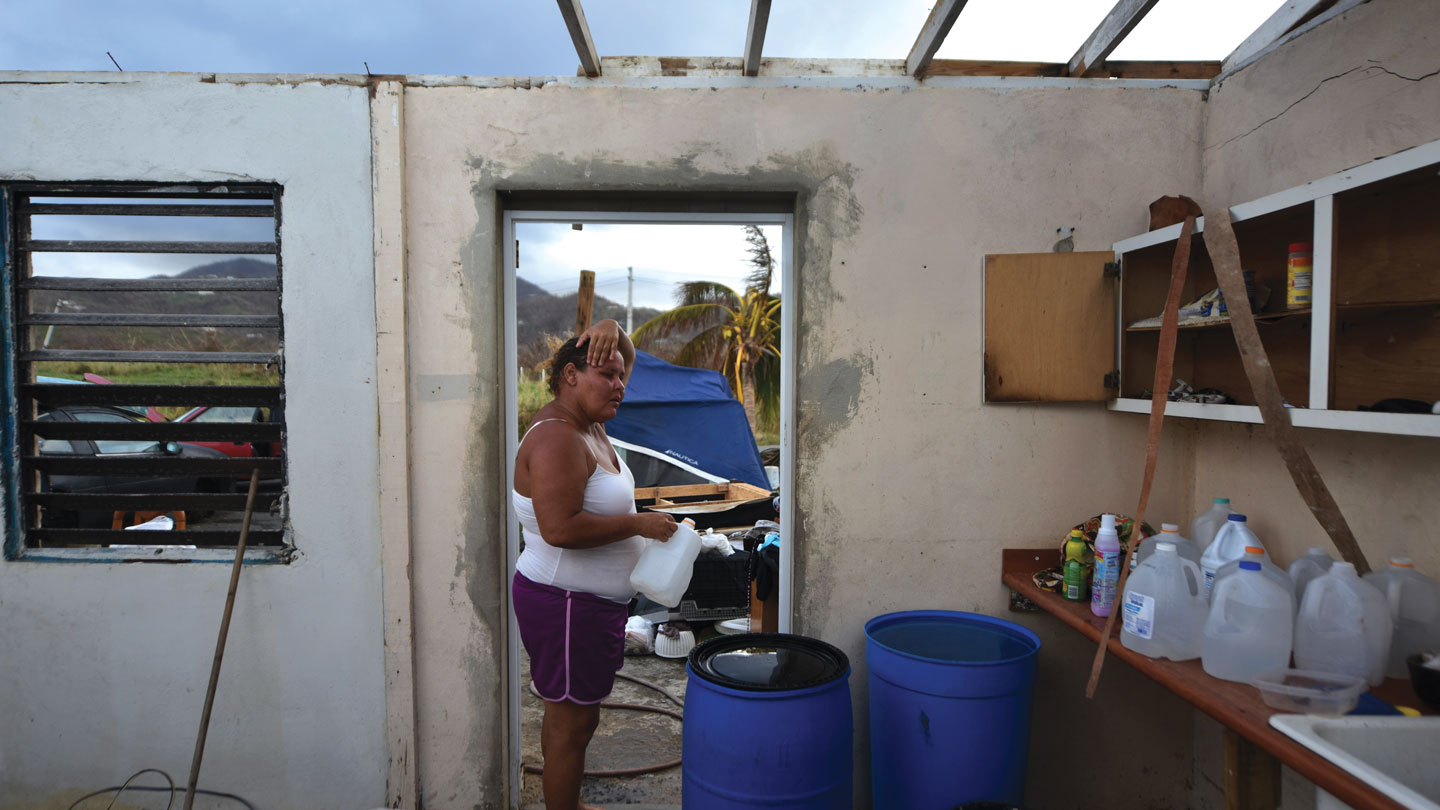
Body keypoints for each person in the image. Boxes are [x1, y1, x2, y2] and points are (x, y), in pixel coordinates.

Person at [512, 319, 677, 810]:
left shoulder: (592, 426)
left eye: (621, 376)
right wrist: (639, 525)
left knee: (580, 719)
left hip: (588, 606)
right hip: (565, 604)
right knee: (569, 724)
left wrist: (612, 328)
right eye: (607, 374)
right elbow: (559, 528)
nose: (620, 385)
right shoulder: (557, 438)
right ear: (569, 376)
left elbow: (622, 354)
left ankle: (569, 803)